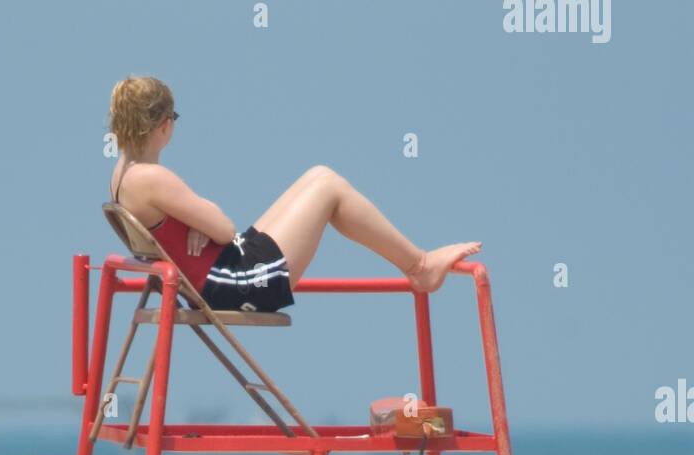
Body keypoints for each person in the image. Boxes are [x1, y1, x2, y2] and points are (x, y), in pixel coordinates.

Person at [107, 75, 481, 313]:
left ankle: (418, 264)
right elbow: (222, 227)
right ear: (164, 125)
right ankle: (420, 267)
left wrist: (196, 222)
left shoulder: (122, 175)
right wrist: (204, 222)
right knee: (330, 185)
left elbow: (200, 224)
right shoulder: (154, 178)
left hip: (217, 274)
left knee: (318, 176)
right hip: (237, 283)